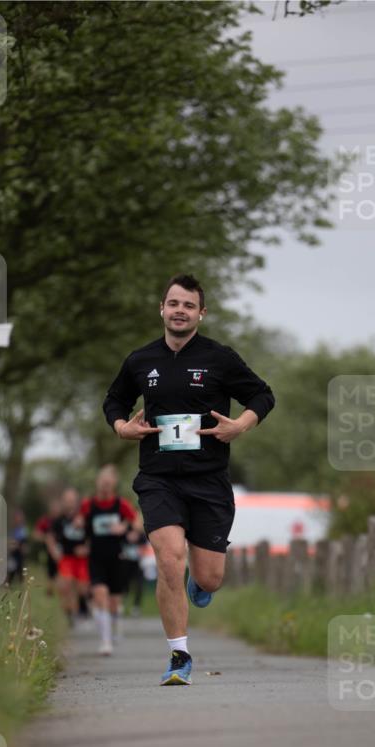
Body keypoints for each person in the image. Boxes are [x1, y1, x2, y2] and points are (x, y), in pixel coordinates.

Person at [103, 273, 274, 685]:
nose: (180, 311)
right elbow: (115, 400)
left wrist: (241, 426)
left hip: (209, 480)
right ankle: (179, 656)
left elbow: (262, 394)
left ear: (201, 313)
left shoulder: (220, 358)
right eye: (173, 304)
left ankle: (202, 584)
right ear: (162, 309)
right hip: (158, 478)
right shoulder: (140, 360)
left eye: (188, 305)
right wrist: (122, 427)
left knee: (209, 576)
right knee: (168, 560)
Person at [80, 464, 143, 655]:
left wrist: (125, 527)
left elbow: (137, 522)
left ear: (114, 484)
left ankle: (116, 627)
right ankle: (105, 641)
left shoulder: (120, 504)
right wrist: (80, 532)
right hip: (96, 557)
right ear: (98, 483)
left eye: (109, 483)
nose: (105, 486)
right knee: (100, 595)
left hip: (117, 557)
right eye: (103, 482)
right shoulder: (88, 505)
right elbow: (80, 526)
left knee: (114, 601)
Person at [47, 487, 90, 629]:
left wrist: (87, 549)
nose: (69, 503)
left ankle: (83, 606)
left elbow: (94, 535)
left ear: (77, 501)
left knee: (82, 589)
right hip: (66, 558)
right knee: (65, 586)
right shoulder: (58, 520)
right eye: (67, 500)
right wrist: (54, 552)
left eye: (72, 500)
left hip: (82, 559)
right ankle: (69, 615)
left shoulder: (84, 517)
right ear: (63, 502)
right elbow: (50, 537)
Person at [33, 497, 62, 596]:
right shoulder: (45, 520)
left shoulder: (62, 520)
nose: (55, 510)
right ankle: (49, 591)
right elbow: (36, 534)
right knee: (50, 572)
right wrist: (46, 538)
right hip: (48, 551)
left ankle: (59, 591)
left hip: (62, 550)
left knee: (60, 571)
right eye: (53, 508)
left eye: (57, 508)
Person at [6, 508, 29, 585]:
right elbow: (10, 543)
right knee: (10, 576)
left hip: (20, 556)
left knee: (21, 576)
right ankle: (7, 591)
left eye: (20, 517)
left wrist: (17, 545)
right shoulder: (12, 530)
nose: (19, 519)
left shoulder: (23, 529)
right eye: (17, 517)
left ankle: (22, 593)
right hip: (13, 556)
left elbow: (24, 545)